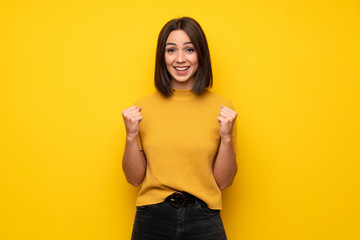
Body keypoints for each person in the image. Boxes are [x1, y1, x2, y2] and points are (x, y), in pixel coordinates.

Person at [122, 16, 238, 240]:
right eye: (171, 50)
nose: (180, 59)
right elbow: (134, 179)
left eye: (190, 49)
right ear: (162, 56)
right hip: (152, 218)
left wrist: (226, 138)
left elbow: (224, 182)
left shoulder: (222, 109)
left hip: (204, 217)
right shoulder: (142, 108)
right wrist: (130, 136)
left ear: (200, 54)